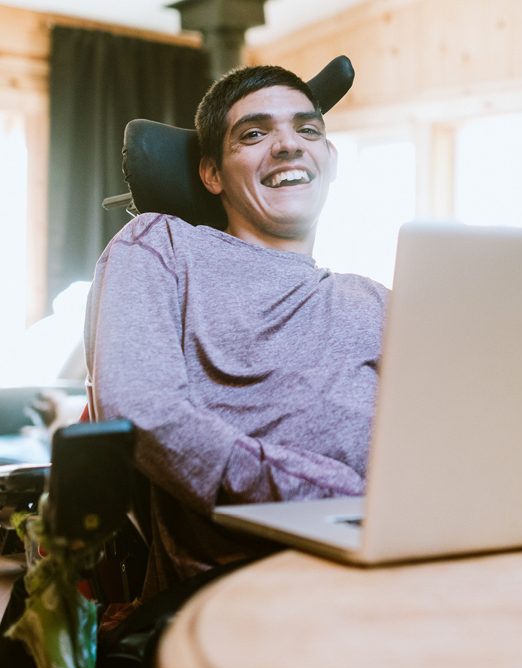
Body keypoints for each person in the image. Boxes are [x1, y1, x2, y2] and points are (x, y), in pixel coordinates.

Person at [83, 64, 389, 598]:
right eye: (254, 133)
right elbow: (142, 410)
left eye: (308, 130)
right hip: (246, 588)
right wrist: (341, 498)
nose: (288, 145)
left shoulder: (371, 299)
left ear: (331, 160)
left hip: (399, 561)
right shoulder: (163, 245)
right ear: (212, 174)